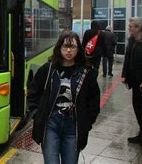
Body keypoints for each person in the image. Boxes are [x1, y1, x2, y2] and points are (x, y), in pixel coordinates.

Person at [28, 31, 100, 164]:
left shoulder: (86, 73)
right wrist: (37, 114)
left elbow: (94, 101)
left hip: (73, 127)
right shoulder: (48, 70)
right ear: (59, 48)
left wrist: (86, 123)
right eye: (65, 46)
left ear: (78, 49)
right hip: (51, 125)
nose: (68, 50)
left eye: (72, 47)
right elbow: (33, 93)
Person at [121, 17, 142, 151]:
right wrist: (124, 75)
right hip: (135, 82)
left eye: (131, 26)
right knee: (138, 109)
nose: (129, 28)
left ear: (139, 28)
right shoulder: (132, 41)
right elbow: (128, 59)